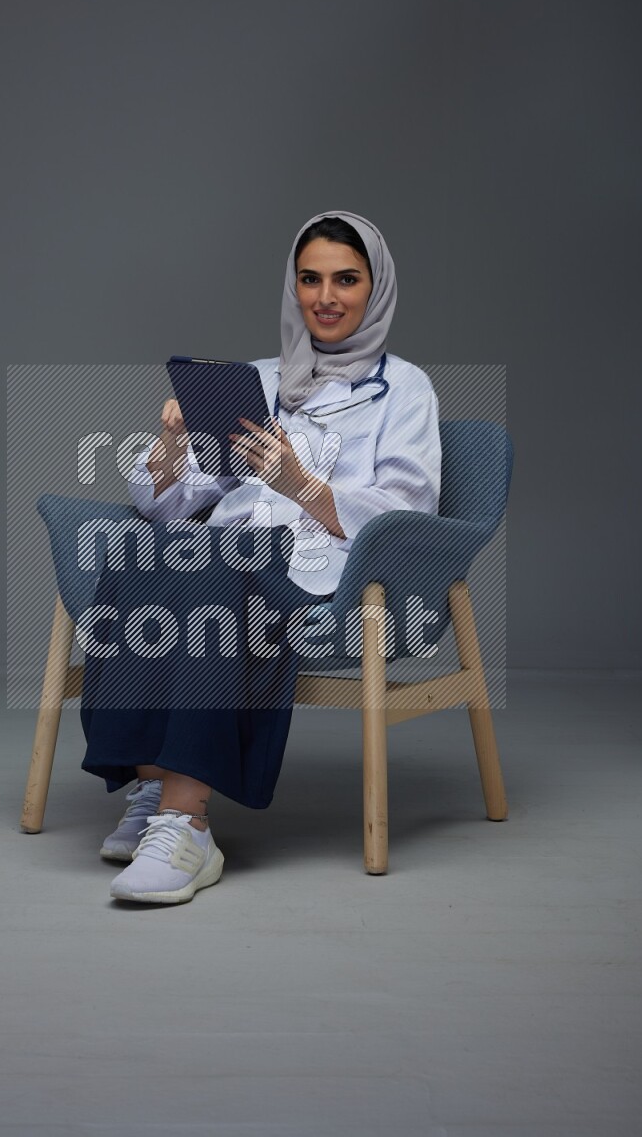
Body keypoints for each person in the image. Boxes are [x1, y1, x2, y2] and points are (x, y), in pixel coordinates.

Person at [79, 210, 442, 905]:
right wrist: (172, 448)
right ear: (293, 286)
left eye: (346, 279)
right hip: (234, 551)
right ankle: (153, 783)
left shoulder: (407, 391)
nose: (326, 297)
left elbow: (406, 512)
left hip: (326, 575)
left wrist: (299, 485)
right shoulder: (258, 377)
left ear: (376, 287)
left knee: (220, 566)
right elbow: (176, 499)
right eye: (311, 279)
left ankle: (187, 823)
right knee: (138, 547)